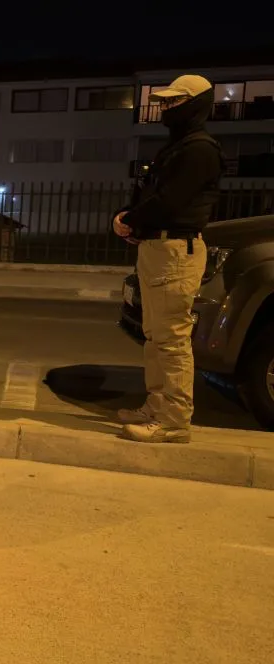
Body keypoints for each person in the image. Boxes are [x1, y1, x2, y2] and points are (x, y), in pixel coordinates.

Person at [112, 74, 225, 444]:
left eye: (173, 102)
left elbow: (171, 201)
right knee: (155, 336)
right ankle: (156, 407)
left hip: (176, 250)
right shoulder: (178, 147)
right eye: (163, 102)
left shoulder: (199, 150)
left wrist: (130, 221)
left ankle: (174, 421)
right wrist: (131, 220)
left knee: (171, 339)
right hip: (159, 249)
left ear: (195, 104)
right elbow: (150, 195)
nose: (164, 108)